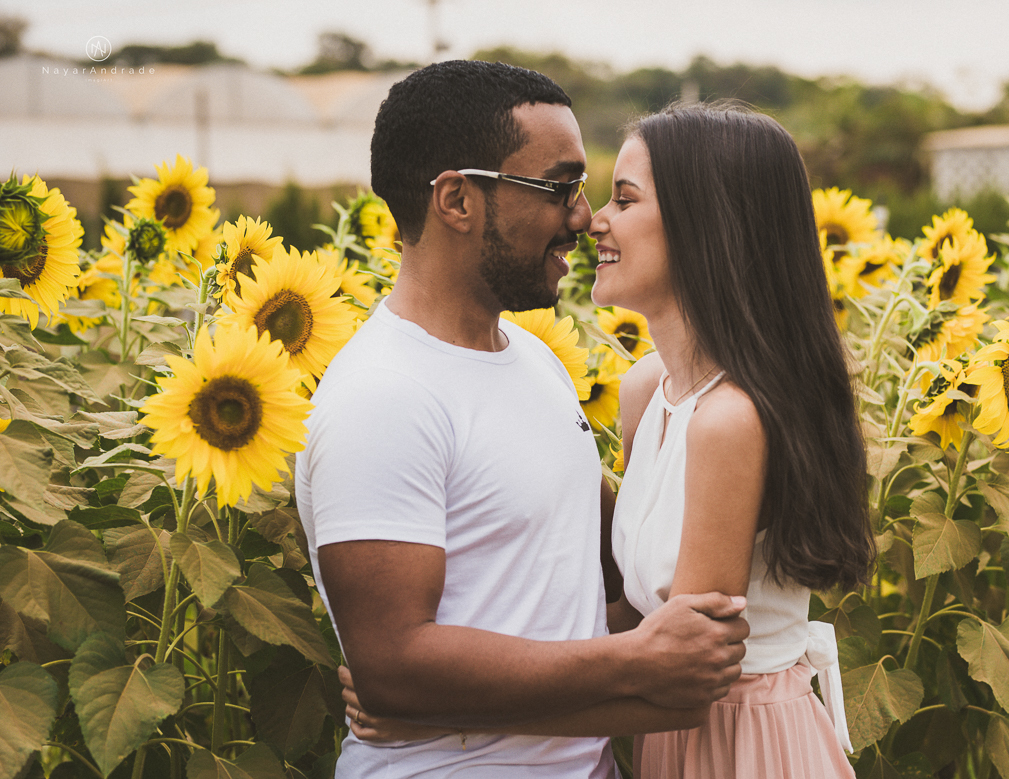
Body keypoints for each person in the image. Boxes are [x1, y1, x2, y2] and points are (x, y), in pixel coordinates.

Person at [343, 102, 876, 777]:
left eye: (624, 199)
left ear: (704, 225)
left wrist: (435, 713)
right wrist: (429, 678)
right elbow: (631, 614)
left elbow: (684, 675)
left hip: (744, 743)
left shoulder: (728, 421)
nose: (592, 219)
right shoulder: (647, 389)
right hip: (667, 742)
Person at [295, 62, 750, 779]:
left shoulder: (533, 362)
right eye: (558, 186)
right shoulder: (383, 396)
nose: (582, 215)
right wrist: (634, 662)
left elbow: (605, 572)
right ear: (456, 199)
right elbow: (395, 664)